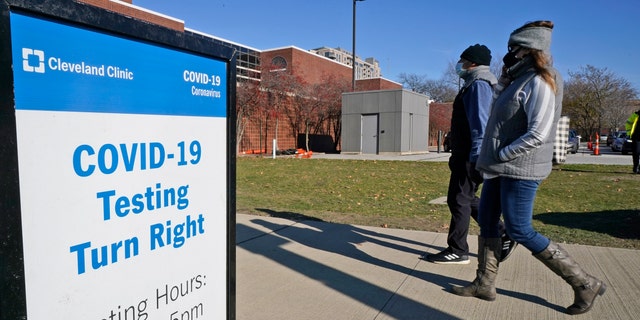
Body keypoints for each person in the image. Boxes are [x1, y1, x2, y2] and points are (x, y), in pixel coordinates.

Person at [450, 21, 606, 315]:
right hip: (500, 166)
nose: (509, 53)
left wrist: (503, 152)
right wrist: (504, 84)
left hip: (520, 169)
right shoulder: (516, 80)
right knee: (485, 220)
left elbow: (538, 132)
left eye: (514, 48)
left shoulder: (541, 80)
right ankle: (484, 283)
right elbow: (500, 120)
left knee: (520, 229)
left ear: (529, 50)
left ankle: (585, 283)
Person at [424, 44, 516, 265]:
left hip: (471, 155)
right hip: (466, 154)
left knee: (458, 199)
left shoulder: (479, 85)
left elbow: (481, 123)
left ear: (472, 63)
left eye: (462, 60)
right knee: (467, 198)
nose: (459, 65)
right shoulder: (475, 83)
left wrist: (477, 155)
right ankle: (502, 231)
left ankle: (458, 250)